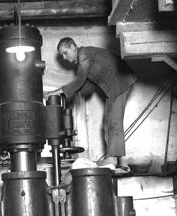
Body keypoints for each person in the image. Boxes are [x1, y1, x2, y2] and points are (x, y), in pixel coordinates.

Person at [45, 37, 136, 171]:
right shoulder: (83, 62)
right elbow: (87, 87)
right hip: (113, 87)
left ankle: (117, 160)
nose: (64, 57)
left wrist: (59, 91)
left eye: (65, 52)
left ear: (72, 47)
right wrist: (73, 96)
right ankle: (117, 159)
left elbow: (80, 80)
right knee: (107, 124)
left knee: (114, 121)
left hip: (121, 82)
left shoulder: (85, 55)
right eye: (62, 55)